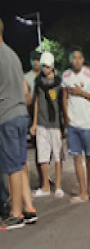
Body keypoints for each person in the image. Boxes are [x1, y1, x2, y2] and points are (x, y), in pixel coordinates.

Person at [0, 18, 37, 230]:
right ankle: (29, 209)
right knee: (21, 163)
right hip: (21, 114)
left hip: (7, 116)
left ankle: (16, 215)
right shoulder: (12, 55)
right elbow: (26, 91)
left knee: (13, 167)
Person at [62, 47, 90, 203]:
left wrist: (81, 93)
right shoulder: (66, 76)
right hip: (73, 124)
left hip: (87, 124)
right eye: (74, 57)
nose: (76, 60)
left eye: (79, 57)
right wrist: (66, 116)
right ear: (70, 60)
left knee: (89, 158)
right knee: (76, 158)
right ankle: (83, 192)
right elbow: (64, 98)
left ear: (83, 59)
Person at [30, 51, 64, 198]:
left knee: (57, 156)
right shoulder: (38, 81)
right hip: (42, 124)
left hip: (56, 124)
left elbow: (63, 103)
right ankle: (45, 186)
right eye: (44, 66)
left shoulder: (59, 82)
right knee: (42, 156)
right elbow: (36, 102)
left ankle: (58, 186)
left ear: (53, 66)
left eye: (47, 66)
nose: (45, 69)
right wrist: (34, 123)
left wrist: (64, 125)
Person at [24, 50, 44, 187]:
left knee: (48, 151)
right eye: (34, 59)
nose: (36, 62)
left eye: (38, 59)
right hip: (32, 116)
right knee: (39, 148)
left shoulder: (47, 75)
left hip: (47, 116)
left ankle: (46, 177)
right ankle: (42, 179)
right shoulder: (26, 77)